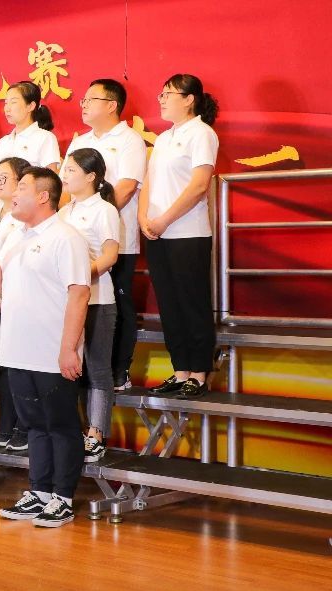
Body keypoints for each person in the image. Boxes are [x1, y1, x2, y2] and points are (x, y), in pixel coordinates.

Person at [0, 168, 90, 528]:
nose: (12, 194)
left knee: (61, 425)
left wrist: (69, 347)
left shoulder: (65, 237)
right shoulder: (15, 236)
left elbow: (79, 293)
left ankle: (63, 497)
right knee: (34, 426)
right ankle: (40, 491)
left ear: (43, 196)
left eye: (21, 187)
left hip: (51, 350)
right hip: (17, 349)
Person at [139, 74, 220, 398]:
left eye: (168, 94)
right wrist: (144, 218)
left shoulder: (201, 133)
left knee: (191, 303)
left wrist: (165, 220)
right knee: (169, 305)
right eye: (161, 94)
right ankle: (180, 369)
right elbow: (148, 182)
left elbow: (199, 186)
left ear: (189, 99)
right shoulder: (163, 139)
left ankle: (198, 373)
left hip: (187, 233)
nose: (161, 99)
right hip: (157, 233)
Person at [63, 79, 147, 391]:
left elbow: (126, 186)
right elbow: (65, 187)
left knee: (118, 305)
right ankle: (84, 367)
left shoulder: (129, 140)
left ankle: (118, 369)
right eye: (83, 100)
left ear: (111, 105)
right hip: (74, 241)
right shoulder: (79, 142)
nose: (83, 104)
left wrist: (99, 214)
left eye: (90, 99)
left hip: (115, 239)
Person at [60, 148, 121, 462]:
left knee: (97, 368)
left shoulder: (104, 210)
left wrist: (80, 277)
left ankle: (96, 433)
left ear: (91, 176)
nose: (65, 175)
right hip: (67, 302)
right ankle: (72, 430)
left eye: (71, 170)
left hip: (97, 299)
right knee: (70, 368)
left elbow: (109, 256)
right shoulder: (63, 211)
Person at [0, 157, 33, 452]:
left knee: (19, 367)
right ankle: (6, 425)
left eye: (4, 177)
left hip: (16, 303)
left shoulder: (23, 219)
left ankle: (24, 427)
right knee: (4, 367)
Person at [0, 82, 61, 170]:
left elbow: (50, 176)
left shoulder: (45, 138)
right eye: (6, 103)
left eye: (13, 102)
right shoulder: (2, 142)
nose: (7, 109)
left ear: (31, 106)